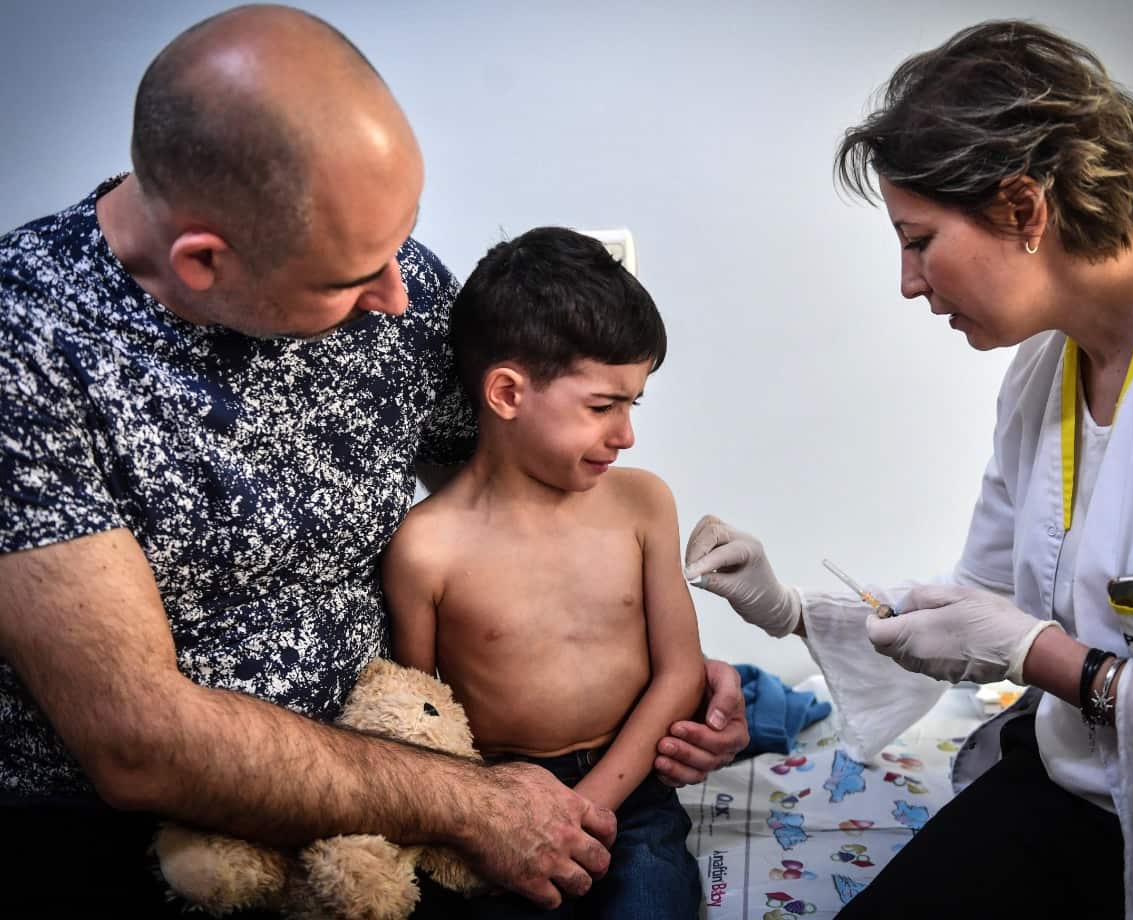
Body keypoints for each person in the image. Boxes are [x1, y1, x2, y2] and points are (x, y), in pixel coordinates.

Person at [0, 6, 747, 912]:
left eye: (401, 242)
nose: (399, 296)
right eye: (352, 279)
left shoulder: (398, 282)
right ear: (204, 261)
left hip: (419, 776)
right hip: (175, 838)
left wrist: (650, 665)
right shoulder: (29, 344)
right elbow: (136, 742)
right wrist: (470, 802)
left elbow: (523, 495)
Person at [685, 20, 1133, 919]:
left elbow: (1032, 648)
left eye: (918, 241)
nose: (908, 282)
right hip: (1085, 788)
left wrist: (1057, 662)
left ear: (1023, 210)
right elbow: (976, 609)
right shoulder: (1044, 372)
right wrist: (791, 610)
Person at [382, 226, 706, 917]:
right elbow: (420, 719)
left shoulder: (642, 504)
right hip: (501, 797)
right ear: (506, 393)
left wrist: (587, 807)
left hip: (632, 791)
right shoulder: (426, 548)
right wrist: (491, 817)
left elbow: (681, 671)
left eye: (632, 403)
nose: (625, 435)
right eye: (602, 406)